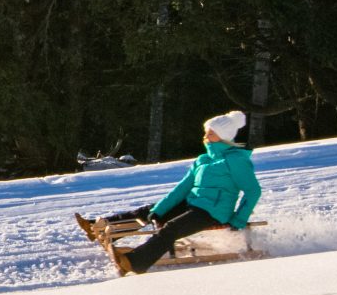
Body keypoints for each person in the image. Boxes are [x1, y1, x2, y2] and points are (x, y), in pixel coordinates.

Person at [86, 111, 261, 274]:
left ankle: (135, 262)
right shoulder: (204, 160)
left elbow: (253, 191)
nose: (205, 136)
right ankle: (107, 231)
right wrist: (160, 209)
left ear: (223, 137)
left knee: (172, 228)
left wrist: (239, 219)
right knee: (152, 212)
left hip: (214, 212)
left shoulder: (236, 161)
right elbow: (182, 189)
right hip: (193, 204)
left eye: (210, 133)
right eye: (206, 132)